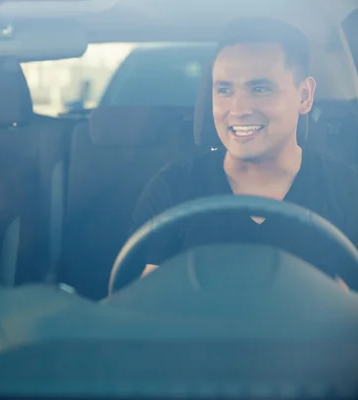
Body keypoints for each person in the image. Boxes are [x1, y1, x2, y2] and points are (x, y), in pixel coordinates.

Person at [128, 17, 358, 287]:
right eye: (224, 90)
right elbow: (142, 309)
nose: (238, 109)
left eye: (260, 89)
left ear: (305, 96)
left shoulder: (347, 191)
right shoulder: (172, 189)